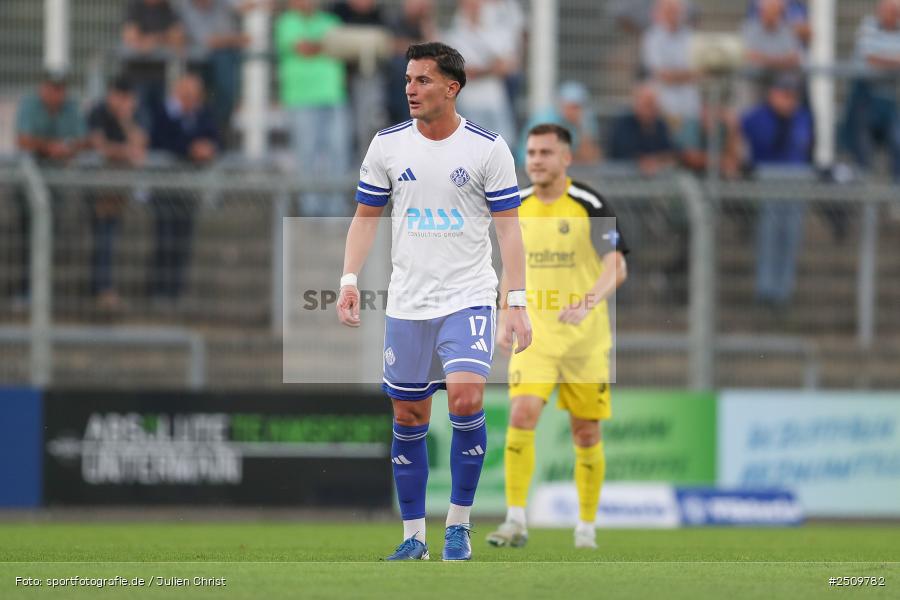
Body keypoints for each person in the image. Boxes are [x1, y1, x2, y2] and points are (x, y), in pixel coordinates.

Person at [336, 42, 532, 561]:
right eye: (408, 79)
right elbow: (364, 219)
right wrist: (349, 277)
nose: (410, 89)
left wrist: (514, 300)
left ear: (452, 87)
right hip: (408, 303)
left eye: (422, 80)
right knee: (408, 416)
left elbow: (510, 231)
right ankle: (414, 537)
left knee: (465, 399)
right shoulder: (387, 145)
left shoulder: (488, 148)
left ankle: (459, 526)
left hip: (468, 297)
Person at [486, 123, 629, 551]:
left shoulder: (589, 203)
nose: (536, 160)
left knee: (585, 432)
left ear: (566, 157)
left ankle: (586, 527)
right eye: (531, 153)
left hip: (585, 339)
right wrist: (504, 315)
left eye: (546, 152)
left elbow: (617, 265)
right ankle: (515, 519)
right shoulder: (517, 206)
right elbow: (509, 268)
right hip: (537, 335)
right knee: (521, 414)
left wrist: (587, 301)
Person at [13, 70, 87, 303]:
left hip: (57, 182)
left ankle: (45, 292)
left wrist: (65, 148)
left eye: (60, 89)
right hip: (30, 181)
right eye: (53, 88)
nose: (57, 94)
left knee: (51, 238)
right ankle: (27, 291)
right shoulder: (30, 104)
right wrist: (50, 147)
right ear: (43, 88)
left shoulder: (70, 107)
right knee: (28, 238)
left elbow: (82, 140)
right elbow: (23, 140)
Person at [741, 74, 813, 308]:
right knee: (768, 237)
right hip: (768, 181)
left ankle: (783, 292)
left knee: (790, 237)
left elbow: (805, 149)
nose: (789, 100)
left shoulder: (802, 117)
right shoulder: (757, 117)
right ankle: (766, 290)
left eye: (792, 96)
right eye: (784, 94)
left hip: (796, 181)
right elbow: (737, 130)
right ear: (772, 94)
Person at [146, 73, 219, 302]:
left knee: (183, 240)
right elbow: (161, 140)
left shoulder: (201, 114)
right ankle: (160, 289)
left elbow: (214, 137)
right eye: (187, 95)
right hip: (164, 188)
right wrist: (190, 149)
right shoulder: (163, 113)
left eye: (195, 96)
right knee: (165, 238)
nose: (191, 100)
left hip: (188, 188)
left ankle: (176, 290)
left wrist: (208, 147)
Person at [276, 0, 350, 216]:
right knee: (306, 156)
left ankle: (335, 211)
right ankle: (311, 212)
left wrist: (320, 46)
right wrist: (327, 46)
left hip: (334, 97)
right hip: (301, 99)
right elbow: (303, 49)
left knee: (339, 155)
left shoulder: (331, 21)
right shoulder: (286, 22)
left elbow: (340, 49)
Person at [86, 76, 149, 311]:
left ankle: (103, 288)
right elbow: (99, 146)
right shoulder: (98, 111)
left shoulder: (134, 114)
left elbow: (140, 143)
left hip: (122, 188)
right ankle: (102, 288)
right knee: (103, 237)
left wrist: (125, 118)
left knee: (108, 237)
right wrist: (127, 152)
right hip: (99, 187)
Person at [443, 0, 517, 145]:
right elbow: (464, 72)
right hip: (469, 103)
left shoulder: (495, 32)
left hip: (495, 100)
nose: (475, 5)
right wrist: (491, 68)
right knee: (474, 148)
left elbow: (508, 65)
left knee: (504, 145)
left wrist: (484, 69)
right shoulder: (454, 35)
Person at [841, 0, 900, 182]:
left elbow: (877, 59)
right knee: (862, 152)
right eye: (889, 10)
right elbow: (870, 59)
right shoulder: (868, 26)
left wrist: (884, 61)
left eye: (896, 11)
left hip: (889, 99)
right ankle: (863, 195)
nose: (892, 14)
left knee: (897, 144)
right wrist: (893, 63)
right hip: (864, 99)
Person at [177, 0, 250, 139]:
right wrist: (235, 39)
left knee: (223, 102)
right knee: (197, 106)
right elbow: (208, 40)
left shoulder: (221, 5)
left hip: (220, 66)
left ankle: (217, 136)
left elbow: (244, 7)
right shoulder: (185, 8)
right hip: (197, 66)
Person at [641, 0, 702, 141]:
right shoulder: (652, 37)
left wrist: (674, 75)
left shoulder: (691, 36)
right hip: (662, 109)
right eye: (669, 11)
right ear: (660, 13)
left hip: (689, 108)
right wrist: (686, 75)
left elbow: (698, 72)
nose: (673, 15)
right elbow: (662, 74)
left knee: (688, 148)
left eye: (676, 11)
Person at [517, 81, 601, 166]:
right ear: (560, 104)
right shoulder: (546, 120)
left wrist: (582, 130)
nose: (573, 111)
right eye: (570, 106)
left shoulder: (585, 120)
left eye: (577, 107)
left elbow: (591, 158)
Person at [121, 0, 185, 111]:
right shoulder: (135, 7)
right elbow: (131, 37)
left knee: (160, 113)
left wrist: (153, 40)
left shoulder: (168, 8)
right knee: (140, 112)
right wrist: (164, 38)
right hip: (136, 76)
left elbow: (178, 37)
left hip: (161, 76)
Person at [606, 82, 676, 176]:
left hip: (655, 177)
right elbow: (624, 152)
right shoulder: (623, 123)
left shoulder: (660, 124)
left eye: (653, 105)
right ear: (636, 104)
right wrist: (646, 161)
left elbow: (670, 153)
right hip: (622, 176)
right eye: (647, 104)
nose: (651, 109)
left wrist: (654, 161)